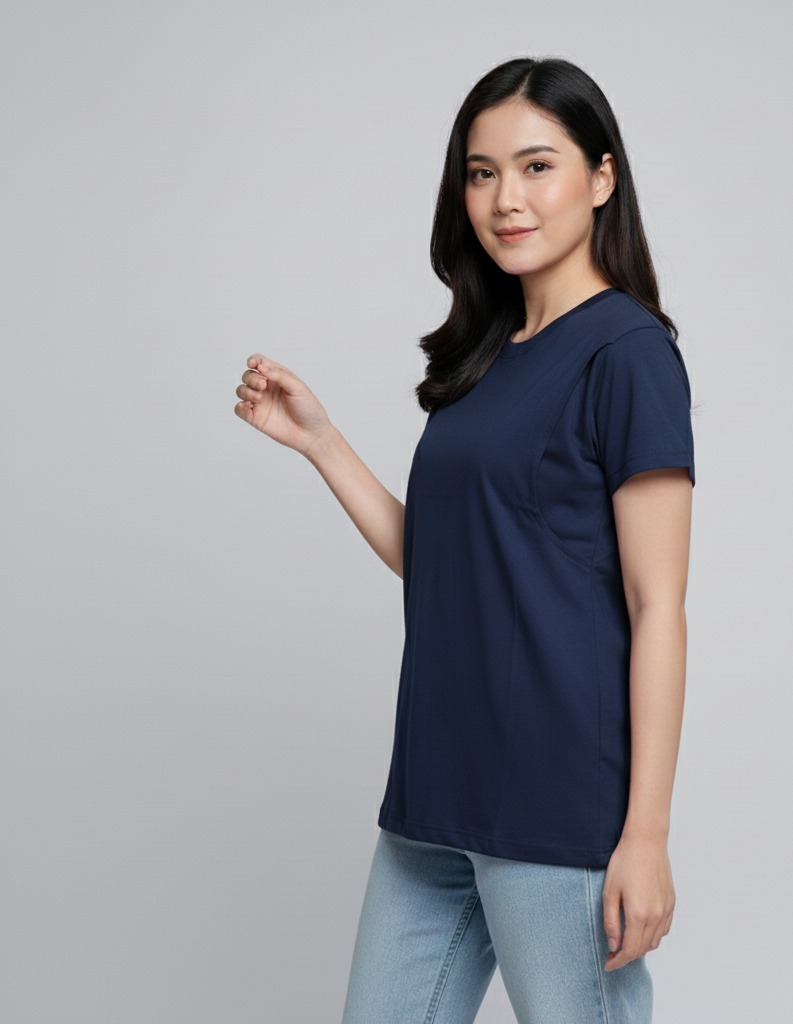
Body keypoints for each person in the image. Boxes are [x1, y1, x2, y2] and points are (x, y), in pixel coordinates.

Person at [234, 55, 695, 1024]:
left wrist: (645, 834)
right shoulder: (486, 358)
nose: (504, 198)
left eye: (536, 167)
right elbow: (445, 565)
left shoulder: (628, 353)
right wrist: (321, 443)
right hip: (435, 795)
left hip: (552, 805)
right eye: (482, 173)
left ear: (601, 178)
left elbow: (658, 606)